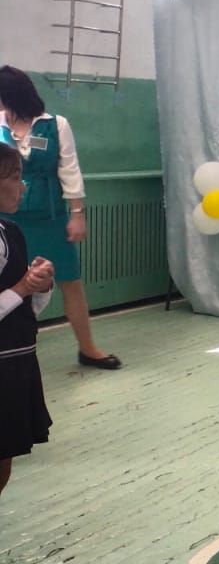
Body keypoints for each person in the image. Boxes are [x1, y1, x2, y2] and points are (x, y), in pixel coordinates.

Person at [0, 66, 118, 369]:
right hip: (8, 218)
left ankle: (88, 348)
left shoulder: (56, 125)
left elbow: (70, 169)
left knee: (70, 281)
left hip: (49, 217)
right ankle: (15, 345)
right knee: (11, 282)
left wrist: (77, 214)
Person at [0, 143, 55, 564]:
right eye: (15, 176)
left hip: (15, 364)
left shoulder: (10, 231)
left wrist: (39, 285)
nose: (22, 185)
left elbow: (26, 309)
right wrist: (21, 287)